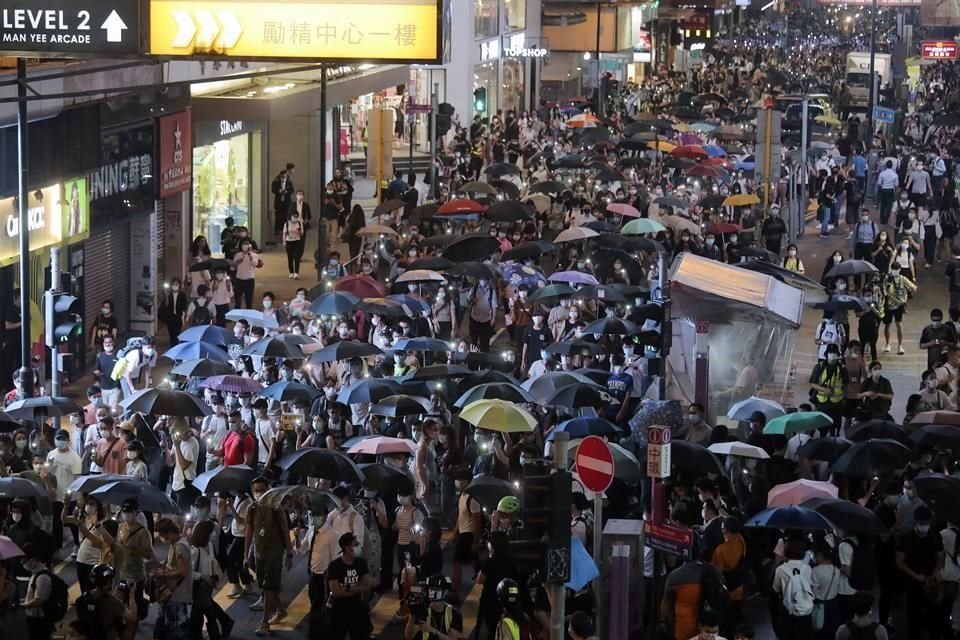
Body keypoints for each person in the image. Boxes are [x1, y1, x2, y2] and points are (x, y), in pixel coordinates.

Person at [245, 476, 294, 636]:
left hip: (274, 552)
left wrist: (289, 553)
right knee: (267, 586)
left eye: (262, 490)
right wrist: (246, 555)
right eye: (256, 491)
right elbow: (249, 532)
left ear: (269, 490)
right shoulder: (252, 508)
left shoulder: (276, 507)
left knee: (268, 587)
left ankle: (264, 622)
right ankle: (280, 611)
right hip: (259, 552)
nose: (259, 493)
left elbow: (285, 529)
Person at [896, 506, 944, 640]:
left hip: (931, 583)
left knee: (934, 617)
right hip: (912, 583)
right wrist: (915, 575)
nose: (925, 526)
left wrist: (934, 574)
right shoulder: (906, 538)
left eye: (927, 523)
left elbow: (940, 557)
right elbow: (899, 562)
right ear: (916, 521)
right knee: (913, 617)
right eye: (922, 523)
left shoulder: (935, 536)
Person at [327, 532, 373, 640]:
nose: (358, 547)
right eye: (355, 545)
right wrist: (358, 589)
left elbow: (367, 586)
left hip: (357, 609)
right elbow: (336, 592)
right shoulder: (334, 566)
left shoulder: (361, 563)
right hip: (338, 612)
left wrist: (347, 588)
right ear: (347, 548)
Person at [773, 539, 815, 640]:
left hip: (788, 610)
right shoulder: (807, 568)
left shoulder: (780, 569)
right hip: (805, 610)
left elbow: (776, 589)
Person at [74, 563, 127, 640]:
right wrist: (132, 594)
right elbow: (130, 616)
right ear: (109, 582)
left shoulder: (81, 599)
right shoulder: (115, 603)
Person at [404, 574, 464, 640]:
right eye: (431, 589)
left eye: (437, 589)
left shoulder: (454, 614)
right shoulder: (421, 610)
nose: (433, 593)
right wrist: (412, 616)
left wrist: (434, 631)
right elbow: (408, 637)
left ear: (446, 592)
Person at [20, 544, 54, 640]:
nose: (22, 563)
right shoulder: (35, 574)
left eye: (24, 561)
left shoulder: (42, 577)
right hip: (34, 616)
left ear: (33, 559)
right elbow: (32, 596)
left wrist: (23, 606)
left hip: (39, 619)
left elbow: (38, 601)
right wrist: (23, 600)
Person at [882, 264, 917, 354]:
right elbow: (885, 292)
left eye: (896, 269)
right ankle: (887, 344)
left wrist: (908, 291)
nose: (895, 271)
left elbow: (914, 288)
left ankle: (900, 346)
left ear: (900, 269)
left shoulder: (902, 279)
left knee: (899, 324)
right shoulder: (887, 279)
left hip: (899, 306)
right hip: (888, 305)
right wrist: (896, 300)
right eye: (894, 269)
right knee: (887, 325)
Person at [233, 237, 260, 309]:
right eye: (243, 244)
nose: (245, 245)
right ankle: (237, 315)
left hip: (249, 280)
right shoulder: (237, 255)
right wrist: (237, 262)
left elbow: (255, 264)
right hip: (239, 280)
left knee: (249, 301)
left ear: (250, 245)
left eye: (247, 244)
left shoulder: (254, 255)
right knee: (238, 302)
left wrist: (250, 256)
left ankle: (248, 315)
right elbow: (232, 268)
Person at [283, 209, 306, 279]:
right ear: (291, 216)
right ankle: (291, 272)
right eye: (294, 216)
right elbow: (284, 233)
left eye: (296, 216)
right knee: (290, 257)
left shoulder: (299, 223)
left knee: (296, 257)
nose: (295, 218)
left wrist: (299, 231)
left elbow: (302, 234)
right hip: (289, 241)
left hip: (297, 241)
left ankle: (296, 273)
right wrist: (284, 241)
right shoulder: (287, 224)